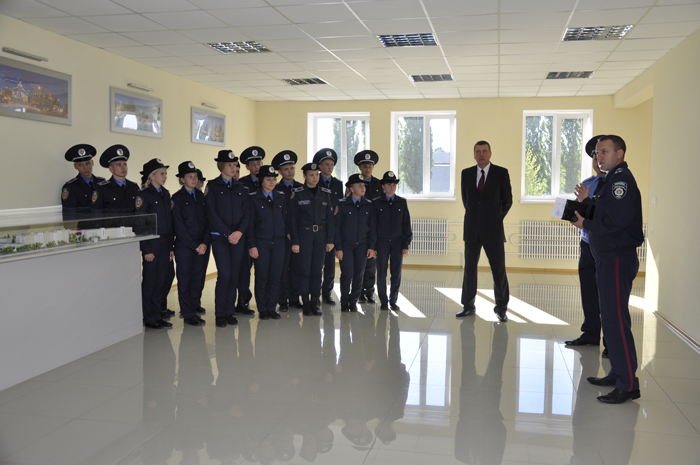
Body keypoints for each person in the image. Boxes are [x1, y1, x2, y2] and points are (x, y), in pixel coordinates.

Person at [571, 134, 644, 404]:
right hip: (607, 256)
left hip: (615, 257)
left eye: (604, 151)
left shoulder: (620, 180)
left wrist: (586, 224)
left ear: (619, 153)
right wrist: (585, 206)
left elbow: (616, 221)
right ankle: (618, 373)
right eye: (597, 153)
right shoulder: (608, 180)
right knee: (614, 319)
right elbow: (603, 214)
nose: (599, 157)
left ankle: (628, 385)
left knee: (614, 321)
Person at [457, 140, 513, 322]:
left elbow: (507, 200)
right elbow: (466, 200)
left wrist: (495, 218)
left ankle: (501, 308)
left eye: (484, 151)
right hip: (472, 229)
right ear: (474, 154)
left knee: (498, 270)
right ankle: (468, 306)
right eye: (478, 151)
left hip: (493, 230)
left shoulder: (501, 173)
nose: (481, 154)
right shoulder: (466, 174)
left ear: (490, 153)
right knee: (469, 270)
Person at [565, 135, 608, 356]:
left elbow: (607, 216)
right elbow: (580, 214)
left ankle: (610, 342)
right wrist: (572, 214)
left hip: (607, 248)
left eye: (602, 154)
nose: (597, 160)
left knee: (607, 295)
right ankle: (590, 334)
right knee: (589, 291)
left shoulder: (615, 184)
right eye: (594, 157)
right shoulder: (588, 184)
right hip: (587, 245)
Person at [205, 150, 250, 328]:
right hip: (220, 238)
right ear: (221, 166)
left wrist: (238, 232)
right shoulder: (212, 186)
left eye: (234, 165)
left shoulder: (241, 188)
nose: (233, 168)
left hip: (237, 238)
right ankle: (220, 313)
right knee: (225, 275)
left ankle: (230, 312)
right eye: (229, 165)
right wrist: (227, 233)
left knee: (234, 275)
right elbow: (211, 214)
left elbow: (247, 214)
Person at [290, 162, 335, 316]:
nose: (315, 177)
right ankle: (306, 302)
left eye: (316, 174)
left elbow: (330, 219)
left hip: (321, 236)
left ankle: (315, 301)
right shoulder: (297, 193)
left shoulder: (325, 193)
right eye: (311, 175)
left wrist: (330, 240)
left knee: (317, 270)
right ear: (304, 176)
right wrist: (295, 241)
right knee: (304, 270)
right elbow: (292, 220)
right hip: (304, 235)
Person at [135, 158, 174, 330]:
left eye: (165, 173)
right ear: (152, 176)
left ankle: (158, 314)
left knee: (162, 281)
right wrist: (146, 249)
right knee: (150, 282)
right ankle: (149, 316)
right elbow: (141, 224)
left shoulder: (165, 194)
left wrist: (171, 247)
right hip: (152, 244)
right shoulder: (143, 195)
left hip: (165, 244)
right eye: (162, 174)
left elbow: (169, 222)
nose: (165, 176)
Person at [247, 165, 287, 320]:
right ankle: (263, 309)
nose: (272, 182)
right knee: (262, 277)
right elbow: (250, 225)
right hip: (261, 243)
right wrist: (252, 245)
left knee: (275, 276)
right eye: (268, 179)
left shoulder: (280, 197)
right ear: (261, 181)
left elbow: (285, 219)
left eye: (274, 179)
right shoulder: (253, 198)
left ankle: (272, 307)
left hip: (279, 243)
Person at [172, 161, 209, 327]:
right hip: (185, 247)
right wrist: (194, 245)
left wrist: (205, 242)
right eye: (189, 176)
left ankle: (193, 309)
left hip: (202, 246)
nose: (194, 179)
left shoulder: (201, 197)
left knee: (198, 279)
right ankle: (187, 313)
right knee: (185, 280)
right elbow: (179, 226)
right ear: (182, 179)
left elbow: (208, 222)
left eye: (195, 176)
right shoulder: (177, 199)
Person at [335, 174, 376, 312]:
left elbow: (372, 227)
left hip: (362, 245)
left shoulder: (368, 205)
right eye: (359, 185)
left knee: (359, 274)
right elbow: (337, 228)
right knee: (347, 274)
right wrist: (338, 248)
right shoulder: (342, 205)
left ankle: (353, 301)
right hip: (346, 245)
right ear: (351, 189)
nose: (363, 188)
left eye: (363, 185)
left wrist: (371, 246)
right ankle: (344, 301)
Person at [373, 171, 413, 311]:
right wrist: (373, 246)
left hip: (397, 242)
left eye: (394, 184)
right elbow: (373, 226)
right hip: (381, 243)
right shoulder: (376, 203)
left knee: (396, 273)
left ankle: (393, 300)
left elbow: (406, 225)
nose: (392, 187)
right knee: (381, 273)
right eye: (389, 184)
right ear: (383, 186)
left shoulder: (402, 202)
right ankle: (383, 301)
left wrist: (406, 244)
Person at [272, 150, 304, 312]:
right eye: (286, 169)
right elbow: (277, 215)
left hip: (299, 235)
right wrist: (286, 232)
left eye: (292, 168)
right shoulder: (276, 189)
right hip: (283, 235)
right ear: (279, 171)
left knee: (297, 267)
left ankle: (294, 298)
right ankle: (282, 300)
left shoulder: (301, 188)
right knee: (283, 268)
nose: (290, 171)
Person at [312, 148, 345, 305]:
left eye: (332, 164)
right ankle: (315, 293)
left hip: (333, 228)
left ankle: (327, 293)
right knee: (316, 264)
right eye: (326, 164)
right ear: (319, 166)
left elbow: (339, 206)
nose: (330, 167)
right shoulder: (314, 182)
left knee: (330, 265)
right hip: (318, 226)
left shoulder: (338, 184)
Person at [352, 150, 383, 304]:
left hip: (374, 227)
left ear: (373, 167)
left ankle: (369, 292)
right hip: (358, 227)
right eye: (364, 166)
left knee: (371, 263)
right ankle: (358, 293)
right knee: (358, 264)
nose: (367, 169)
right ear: (360, 168)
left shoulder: (379, 184)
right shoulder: (353, 183)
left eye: (370, 166)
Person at [237, 146, 265, 314]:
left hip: (264, 233)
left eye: (259, 163)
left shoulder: (268, 181)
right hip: (247, 233)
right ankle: (243, 302)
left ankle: (265, 301)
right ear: (247, 167)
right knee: (244, 270)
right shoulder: (241, 184)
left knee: (263, 270)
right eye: (253, 164)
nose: (257, 167)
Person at [91, 144, 139, 214]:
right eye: (119, 165)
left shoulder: (134, 187)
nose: (123, 168)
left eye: (125, 164)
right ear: (111, 169)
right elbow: (96, 214)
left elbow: (139, 211)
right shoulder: (102, 188)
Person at [61, 143, 105, 214]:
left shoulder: (102, 182)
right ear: (75, 166)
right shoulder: (71, 187)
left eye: (87, 163)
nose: (85, 168)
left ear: (92, 163)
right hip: (83, 221)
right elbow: (69, 215)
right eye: (81, 165)